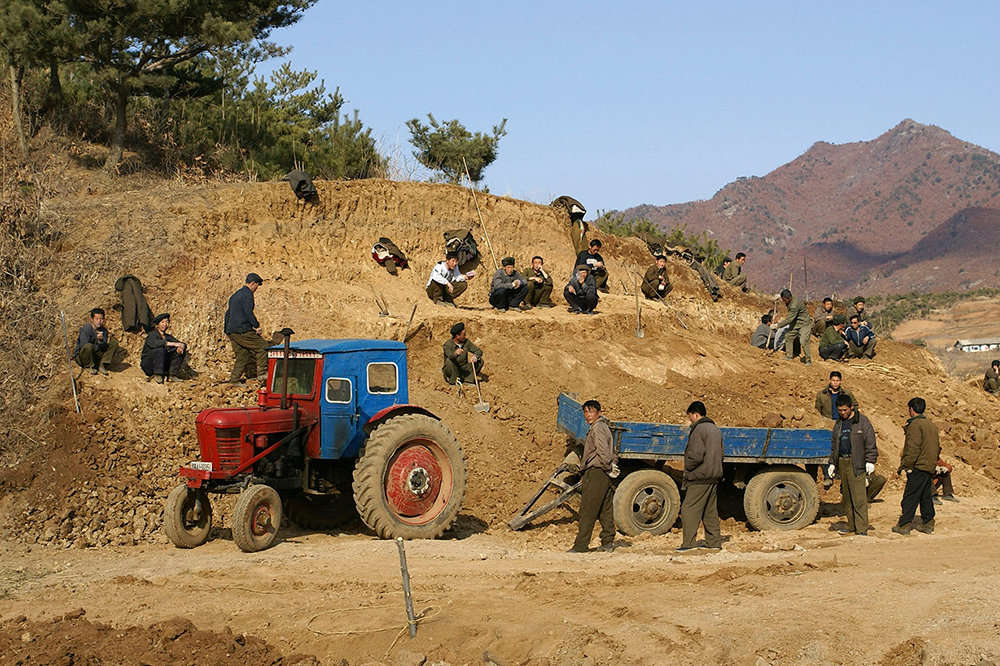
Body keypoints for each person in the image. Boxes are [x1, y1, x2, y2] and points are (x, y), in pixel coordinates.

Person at [569, 400, 618, 553]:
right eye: (585, 412)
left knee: (587, 509)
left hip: (596, 472)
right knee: (605, 508)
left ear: (599, 413)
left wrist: (606, 466)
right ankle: (608, 541)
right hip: (603, 472)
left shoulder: (597, 428)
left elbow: (602, 451)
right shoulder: (603, 427)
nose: (587, 415)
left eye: (591, 411)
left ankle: (581, 545)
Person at [678, 401, 724, 552]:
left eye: (690, 416)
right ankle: (714, 543)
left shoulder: (698, 430)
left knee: (688, 509)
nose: (690, 420)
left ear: (695, 414)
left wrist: (688, 468)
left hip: (700, 477)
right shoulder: (715, 430)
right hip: (713, 476)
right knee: (710, 511)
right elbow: (721, 454)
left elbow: (695, 455)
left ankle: (689, 544)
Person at [829, 394, 878, 535]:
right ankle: (851, 525)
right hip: (842, 462)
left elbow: (870, 442)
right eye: (840, 410)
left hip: (856, 463)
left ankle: (861, 528)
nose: (843, 413)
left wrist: (870, 460)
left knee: (859, 497)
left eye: (845, 410)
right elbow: (834, 445)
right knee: (847, 498)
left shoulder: (862, 422)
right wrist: (832, 463)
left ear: (851, 407)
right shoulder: (838, 424)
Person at [893, 397, 940, 535]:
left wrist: (905, 465)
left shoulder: (915, 425)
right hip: (928, 466)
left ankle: (904, 525)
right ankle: (928, 521)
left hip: (918, 466)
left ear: (911, 410)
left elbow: (913, 448)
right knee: (925, 495)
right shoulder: (932, 425)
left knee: (910, 496)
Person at [224, 273, 268, 384]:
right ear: (253, 283)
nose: (257, 288)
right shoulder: (247, 295)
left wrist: (226, 331)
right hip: (243, 329)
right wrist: (256, 326)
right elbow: (248, 311)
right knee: (263, 347)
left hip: (232, 331)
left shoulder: (235, 295)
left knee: (243, 355)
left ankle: (234, 380)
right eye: (257, 285)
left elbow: (227, 314)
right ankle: (262, 375)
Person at [141, 313, 187, 384]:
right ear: (157, 325)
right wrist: (175, 344)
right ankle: (158, 374)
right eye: (162, 322)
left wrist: (181, 347)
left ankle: (172, 375)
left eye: (167, 322)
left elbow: (181, 343)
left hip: (162, 365)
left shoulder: (168, 337)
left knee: (178, 351)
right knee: (160, 349)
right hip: (149, 365)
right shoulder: (152, 335)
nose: (165, 324)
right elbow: (157, 343)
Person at [73, 308, 119, 375]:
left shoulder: (104, 331)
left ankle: (101, 364)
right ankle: (89, 366)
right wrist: (96, 340)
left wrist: (100, 341)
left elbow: (103, 347)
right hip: (83, 357)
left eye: (101, 319)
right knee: (88, 346)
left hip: (95, 355)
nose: (99, 321)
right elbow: (83, 345)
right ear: (92, 319)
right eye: (96, 319)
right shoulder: (86, 329)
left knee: (113, 343)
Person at [772, 289, 812, 365]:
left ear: (789, 298)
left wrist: (777, 325)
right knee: (788, 336)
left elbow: (789, 319)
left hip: (804, 324)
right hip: (796, 323)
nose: (784, 302)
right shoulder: (789, 297)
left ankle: (808, 360)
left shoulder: (794, 305)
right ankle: (789, 356)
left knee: (803, 341)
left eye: (785, 300)